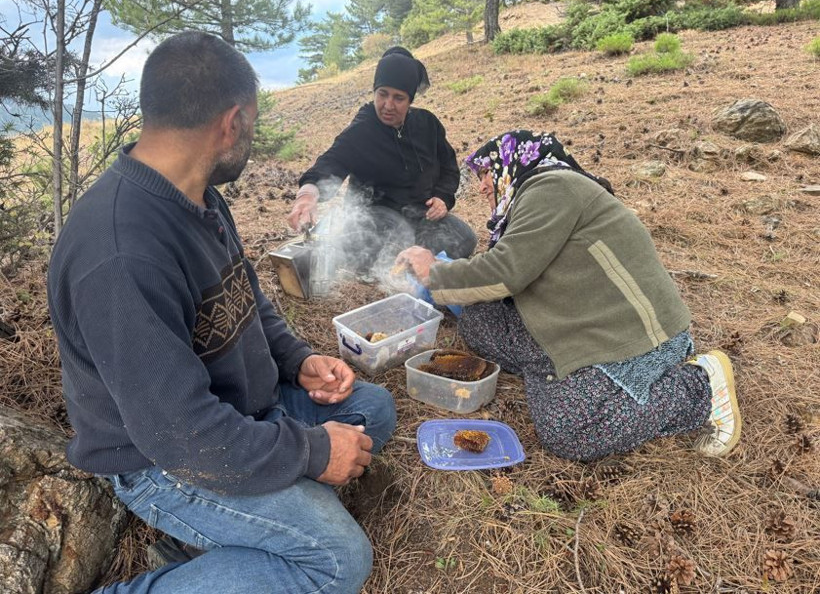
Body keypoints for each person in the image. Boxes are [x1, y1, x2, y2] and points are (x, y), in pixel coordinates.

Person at [47, 32, 396, 594]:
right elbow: (180, 435)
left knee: (372, 410)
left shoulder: (198, 195)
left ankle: (229, 538)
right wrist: (310, 453)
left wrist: (298, 361)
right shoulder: (120, 254)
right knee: (338, 560)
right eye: (251, 124)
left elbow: (245, 296)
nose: (249, 137)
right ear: (232, 123)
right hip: (167, 461)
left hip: (242, 412)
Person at [397, 130, 742, 461]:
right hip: (580, 315)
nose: (483, 185)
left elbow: (507, 271)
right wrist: (440, 282)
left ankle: (699, 386)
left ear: (513, 162)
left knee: (568, 431)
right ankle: (556, 372)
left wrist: (435, 272)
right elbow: (510, 269)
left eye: (487, 172)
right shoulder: (535, 196)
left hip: (634, 334)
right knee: (477, 321)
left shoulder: (551, 188)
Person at [287, 46, 477, 276]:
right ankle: (405, 262)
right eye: (382, 94)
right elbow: (333, 160)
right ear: (374, 91)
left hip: (421, 216)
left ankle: (410, 260)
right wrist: (307, 196)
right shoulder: (363, 129)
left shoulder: (428, 124)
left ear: (410, 99)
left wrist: (442, 197)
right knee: (393, 234)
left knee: (465, 238)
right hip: (375, 217)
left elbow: (449, 168)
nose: (388, 105)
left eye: (398, 98)